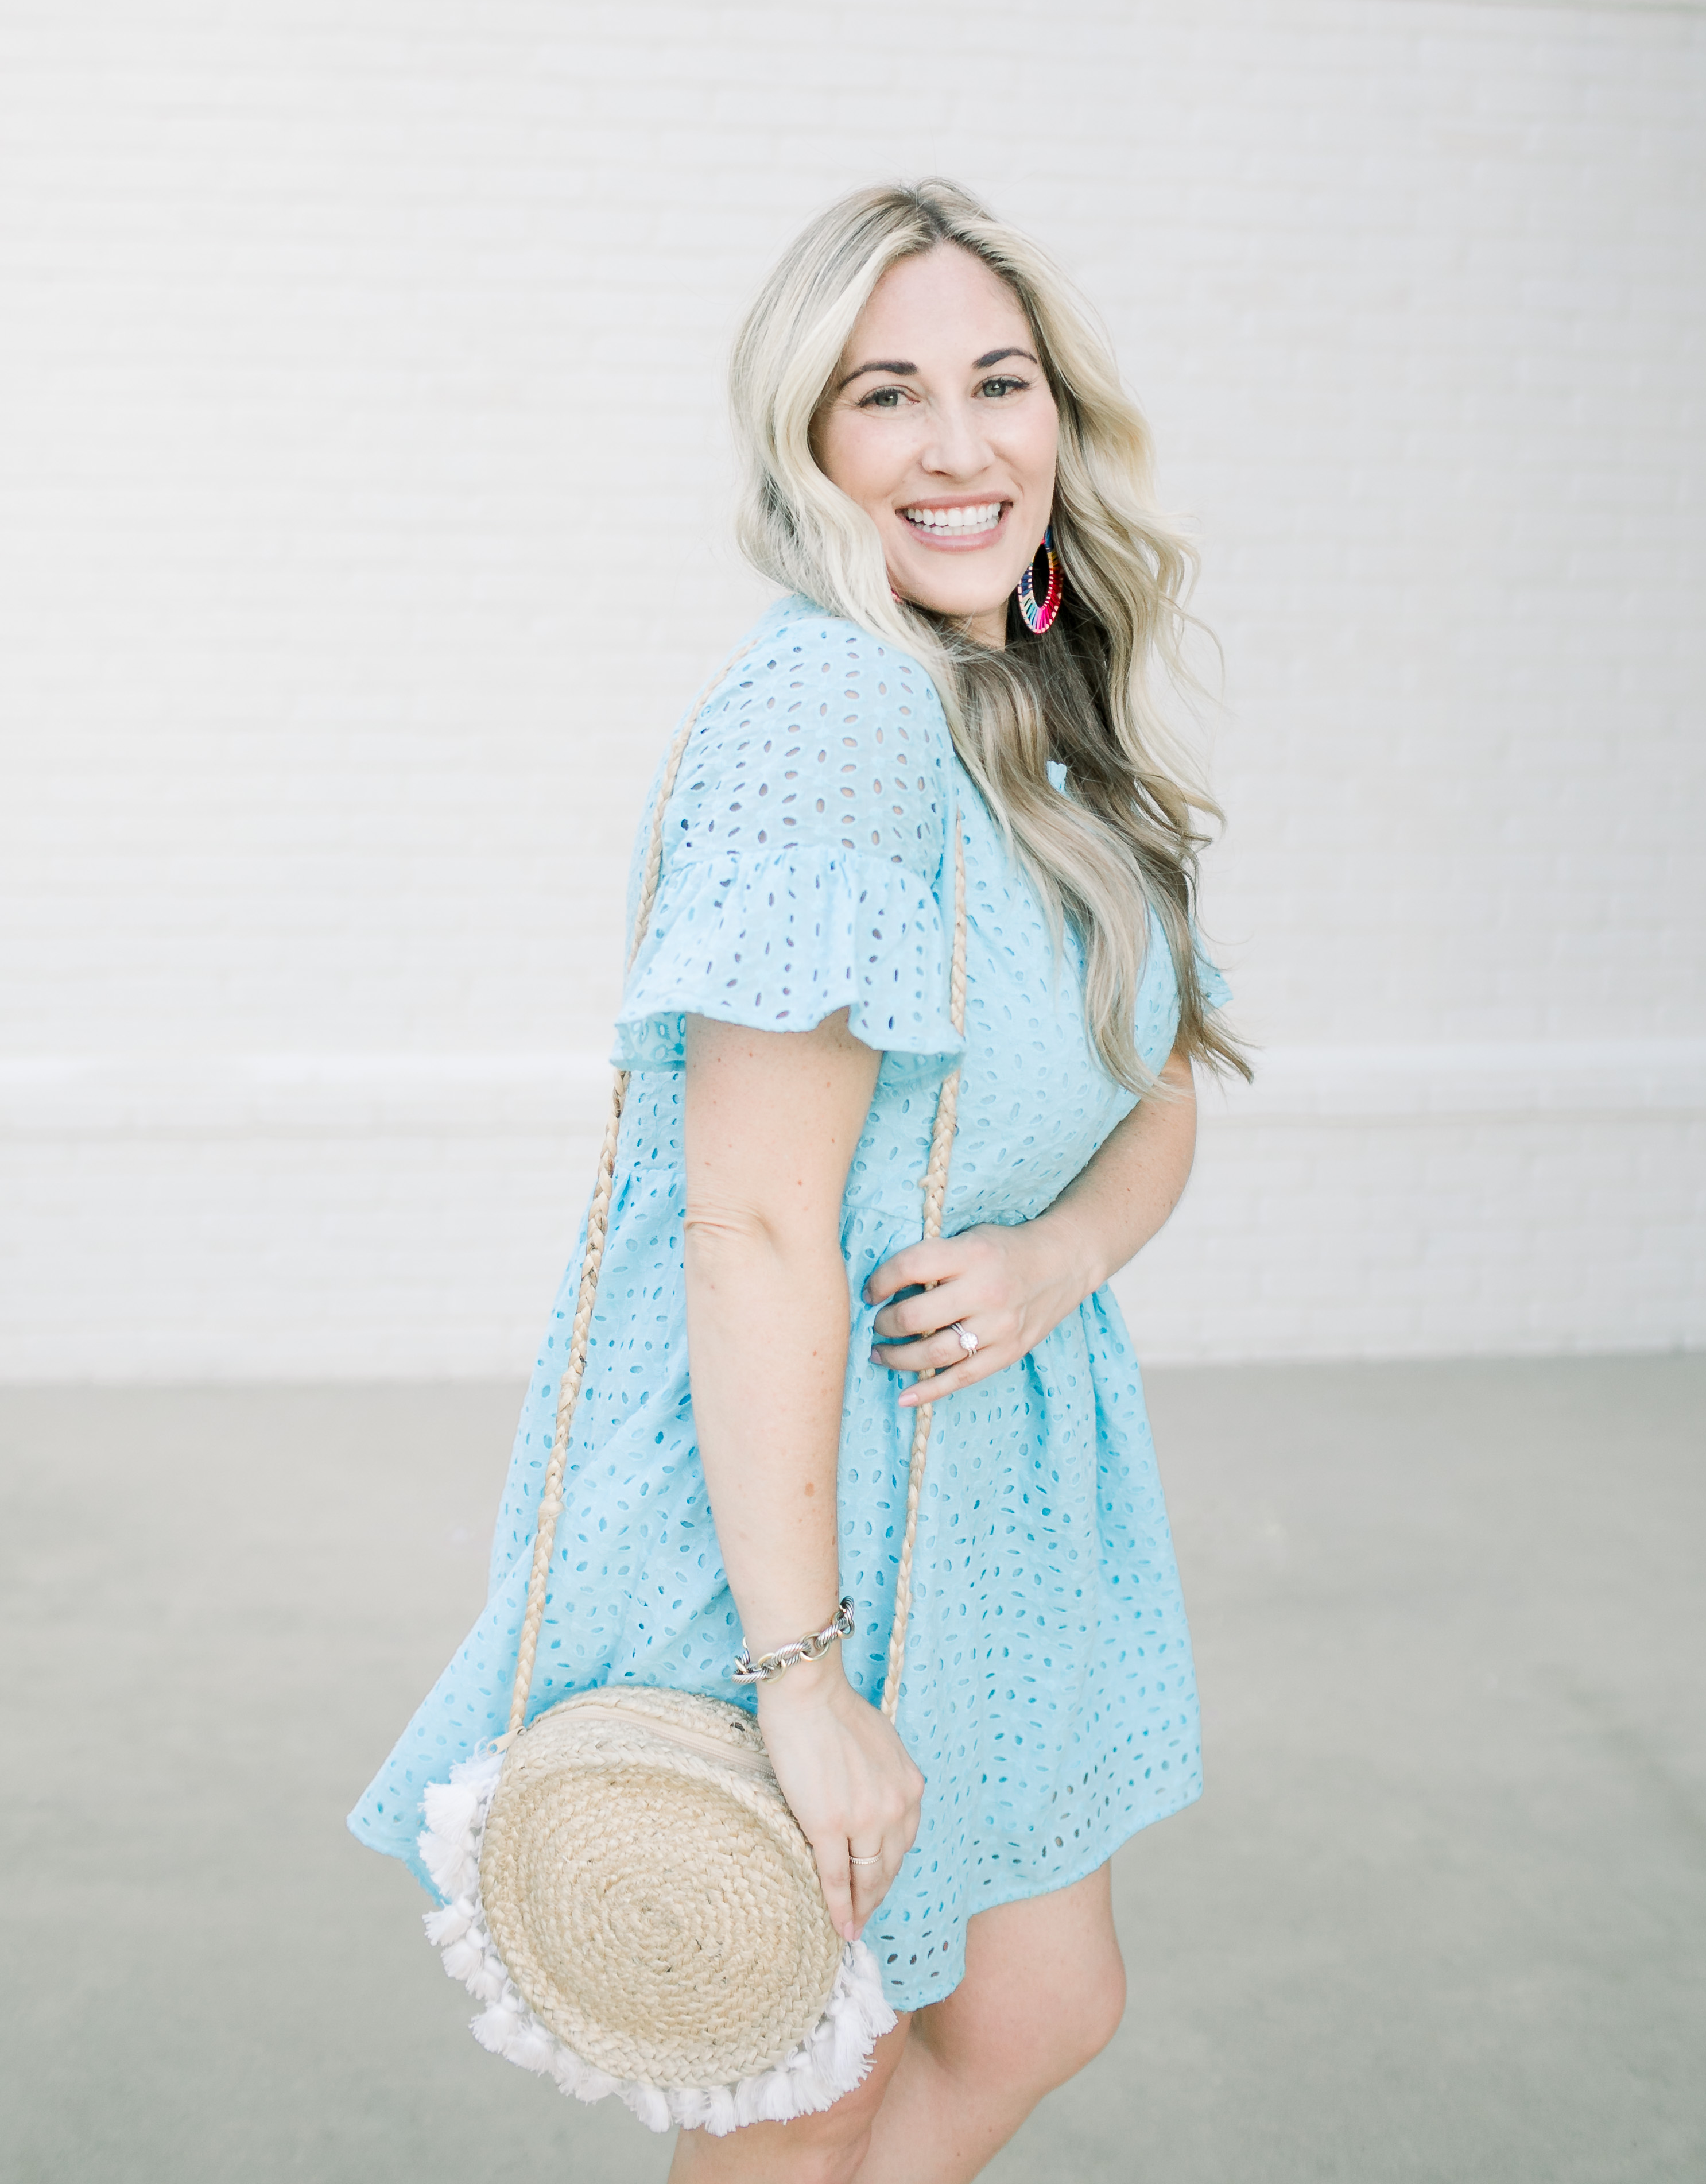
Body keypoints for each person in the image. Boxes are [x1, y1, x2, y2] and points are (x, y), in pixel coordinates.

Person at [350, 179, 1247, 2180]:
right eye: (886, 397)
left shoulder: (1034, 709)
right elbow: (751, 1223)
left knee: (1035, 2005)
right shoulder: (834, 710)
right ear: (808, 446)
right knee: (800, 2088)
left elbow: (1168, 1082)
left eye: (998, 385)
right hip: (805, 1507)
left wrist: (1053, 1255)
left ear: (1059, 417)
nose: (957, 448)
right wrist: (800, 1681)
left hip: (991, 1493)